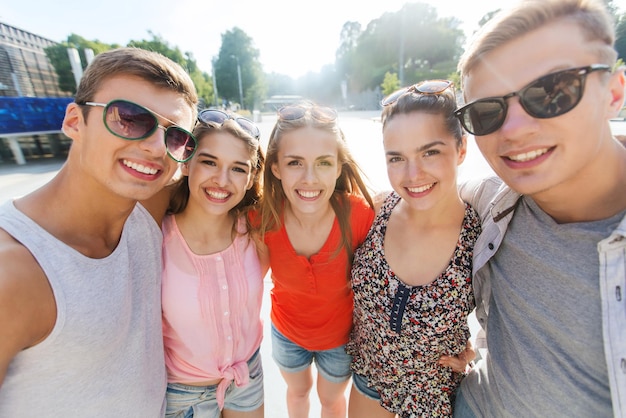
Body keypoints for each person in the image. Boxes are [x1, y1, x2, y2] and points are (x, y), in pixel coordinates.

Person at [0, 47, 199, 416]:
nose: (156, 147)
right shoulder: (14, 270)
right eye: (129, 118)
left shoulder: (147, 209)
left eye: (176, 137)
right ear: (75, 121)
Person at [451, 0, 626, 416]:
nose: (513, 129)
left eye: (550, 93)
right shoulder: (492, 199)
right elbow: (415, 195)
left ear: (613, 94)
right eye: (487, 111)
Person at [346, 80, 481, 418]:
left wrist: (480, 351)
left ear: (461, 148)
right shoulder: (374, 211)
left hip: (431, 399)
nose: (412, 174)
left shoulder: (482, 239)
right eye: (397, 158)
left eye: (430, 152)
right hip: (368, 383)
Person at [256, 102, 375, 418]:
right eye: (295, 162)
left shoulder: (360, 215)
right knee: (297, 394)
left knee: (331, 401)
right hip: (287, 333)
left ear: (338, 167)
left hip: (339, 339)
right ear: (276, 167)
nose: (309, 178)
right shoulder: (262, 217)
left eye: (323, 163)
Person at [159, 110, 268, 417]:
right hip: (183, 394)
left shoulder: (256, 231)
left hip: (247, 377)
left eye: (237, 169)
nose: (222, 180)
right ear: (187, 163)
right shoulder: (156, 238)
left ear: (250, 180)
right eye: (209, 162)